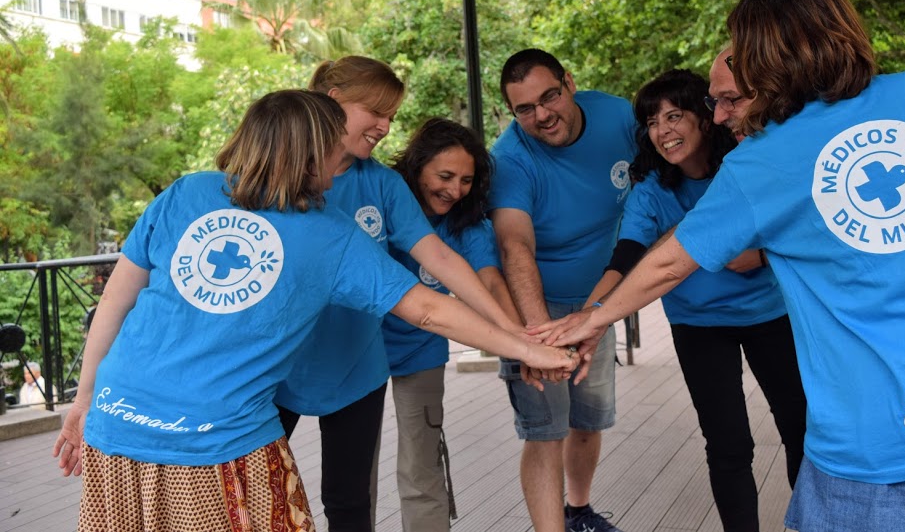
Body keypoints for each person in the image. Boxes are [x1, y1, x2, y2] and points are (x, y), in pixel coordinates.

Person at [531, 0, 905, 532]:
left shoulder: (763, 160)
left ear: (775, 57)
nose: (721, 114)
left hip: (877, 454)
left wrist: (591, 320)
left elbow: (671, 262)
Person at [52, 89, 577, 532]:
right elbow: (427, 309)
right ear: (307, 154)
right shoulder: (330, 234)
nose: (345, 157)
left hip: (114, 426)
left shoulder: (187, 192)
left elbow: (115, 303)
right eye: (334, 146)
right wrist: (527, 347)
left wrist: (85, 399)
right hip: (218, 447)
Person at [274, 58, 526, 532]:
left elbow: (442, 262)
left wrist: (513, 332)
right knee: (258, 485)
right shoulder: (278, 173)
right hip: (282, 362)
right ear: (333, 103)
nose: (387, 126)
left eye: (392, 115)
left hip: (362, 364)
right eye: (378, 112)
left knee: (350, 498)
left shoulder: (383, 184)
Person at [583, 69, 806, 531]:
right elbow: (627, 258)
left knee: (800, 430)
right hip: (698, 326)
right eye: (652, 121)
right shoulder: (650, 191)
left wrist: (762, 254)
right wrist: (588, 319)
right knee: (728, 447)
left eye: (675, 116)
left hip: (769, 316)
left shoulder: (746, 165)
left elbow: (803, 224)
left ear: (707, 119)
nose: (662, 131)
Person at [489, 48, 636, 532]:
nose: (541, 115)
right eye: (524, 109)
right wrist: (534, 337)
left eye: (549, 96)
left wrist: (602, 309)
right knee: (544, 431)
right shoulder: (510, 158)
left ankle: (580, 511)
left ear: (569, 82)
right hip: (538, 307)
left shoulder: (617, 115)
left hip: (598, 300)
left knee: (589, 421)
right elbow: (515, 247)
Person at [386, 117, 522, 531]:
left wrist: (523, 342)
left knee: (421, 463)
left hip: (420, 349)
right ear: (416, 166)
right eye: (444, 176)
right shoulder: (384, 201)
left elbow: (490, 282)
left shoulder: (468, 223)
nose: (454, 189)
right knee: (354, 468)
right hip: (359, 351)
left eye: (466, 180)